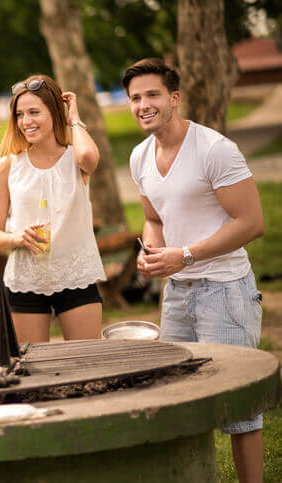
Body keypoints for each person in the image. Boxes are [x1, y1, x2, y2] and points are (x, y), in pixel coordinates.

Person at [123, 58, 265, 483]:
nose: (143, 104)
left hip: (225, 290)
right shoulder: (139, 156)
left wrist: (183, 255)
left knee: (239, 409)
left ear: (174, 98)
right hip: (178, 294)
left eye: (152, 95)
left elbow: (253, 223)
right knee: (177, 399)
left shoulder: (214, 149)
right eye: (135, 98)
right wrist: (152, 248)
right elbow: (154, 217)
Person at [0, 74, 106, 343]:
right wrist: (16, 238)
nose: (26, 121)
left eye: (34, 112)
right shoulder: (9, 165)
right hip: (26, 280)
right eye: (20, 114)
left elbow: (89, 157)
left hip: (76, 276)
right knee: (34, 368)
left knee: (86, 362)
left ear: (55, 112)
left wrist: (73, 118)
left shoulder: (75, 159)